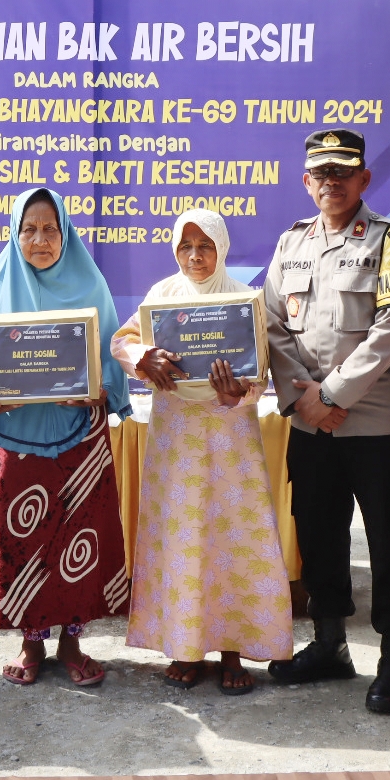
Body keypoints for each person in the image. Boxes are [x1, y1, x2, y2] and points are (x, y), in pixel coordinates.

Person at [260, 129, 390, 713]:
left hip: (377, 426)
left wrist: (330, 393)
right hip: (310, 426)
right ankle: (329, 643)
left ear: (365, 179)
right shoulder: (290, 246)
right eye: (321, 174)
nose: (332, 182)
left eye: (343, 172)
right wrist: (302, 401)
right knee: (318, 535)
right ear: (307, 183)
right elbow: (274, 327)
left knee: (389, 544)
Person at [113, 208, 292, 694]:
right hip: (177, 440)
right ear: (174, 251)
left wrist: (241, 393)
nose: (195, 256)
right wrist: (141, 357)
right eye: (186, 246)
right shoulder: (162, 297)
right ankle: (186, 646)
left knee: (233, 536)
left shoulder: (245, 299)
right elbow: (121, 340)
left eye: (205, 245)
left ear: (222, 248)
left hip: (231, 435)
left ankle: (234, 649)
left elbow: (263, 370)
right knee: (185, 537)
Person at [0, 187, 132, 687]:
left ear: (66, 233)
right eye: (29, 229)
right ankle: (31, 642)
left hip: (79, 436)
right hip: (18, 439)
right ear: (15, 235)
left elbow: (113, 356)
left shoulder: (91, 285)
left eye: (50, 229)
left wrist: (98, 388)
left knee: (78, 536)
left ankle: (73, 642)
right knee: (23, 536)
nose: (40, 239)